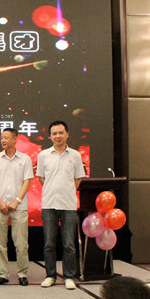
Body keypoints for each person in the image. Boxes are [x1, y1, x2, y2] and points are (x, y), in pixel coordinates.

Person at [36, 120, 85, 289]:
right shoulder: (44, 155)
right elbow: (41, 178)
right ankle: (50, 275)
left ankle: (69, 277)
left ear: (67, 134)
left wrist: (67, 190)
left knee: (69, 244)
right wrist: (53, 189)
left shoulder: (75, 155)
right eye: (54, 133)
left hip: (68, 204)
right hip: (49, 203)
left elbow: (78, 178)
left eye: (60, 133)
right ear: (50, 136)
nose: (58, 136)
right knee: (49, 244)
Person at [0, 127, 34, 286]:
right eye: (2, 137)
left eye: (6, 137)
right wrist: (0, 201)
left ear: (15, 139)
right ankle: (3, 274)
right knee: (0, 243)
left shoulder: (25, 159)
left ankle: (22, 273)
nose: (3, 140)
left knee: (21, 243)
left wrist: (16, 200)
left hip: (19, 207)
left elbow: (27, 181)